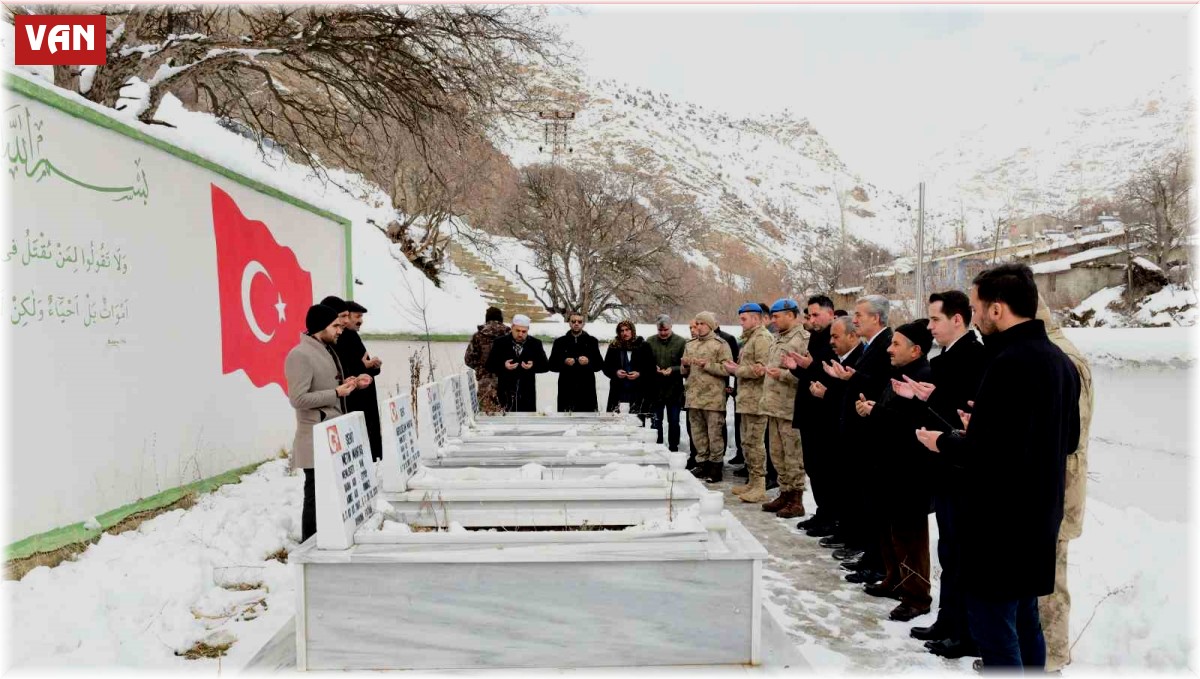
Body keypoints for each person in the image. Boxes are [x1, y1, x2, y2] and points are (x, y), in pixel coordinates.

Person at [915, 264, 1081, 672]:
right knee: (1026, 622)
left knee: (994, 629)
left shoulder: (1007, 362)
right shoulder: (1059, 361)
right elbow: (1067, 440)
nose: (972, 317)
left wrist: (946, 441)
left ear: (996, 309)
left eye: (975, 308)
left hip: (1000, 521)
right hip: (1039, 516)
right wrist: (984, 426)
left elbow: (987, 454)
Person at [907, 290, 987, 659]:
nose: (929, 326)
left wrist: (932, 398)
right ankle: (947, 619)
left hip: (960, 468)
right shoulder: (948, 354)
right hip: (943, 464)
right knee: (948, 551)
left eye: (935, 319)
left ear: (958, 319)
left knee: (959, 554)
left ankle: (964, 630)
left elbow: (968, 414)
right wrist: (926, 396)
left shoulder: (974, 355)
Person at [857, 320, 936, 623]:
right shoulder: (900, 374)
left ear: (916, 350)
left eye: (896, 344)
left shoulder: (924, 377)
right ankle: (895, 578)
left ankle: (917, 595)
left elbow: (913, 423)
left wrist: (876, 411)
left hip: (910, 472)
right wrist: (874, 408)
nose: (889, 349)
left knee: (910, 535)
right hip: (888, 467)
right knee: (890, 529)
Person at [1036, 296, 1094, 674]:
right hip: (1049, 486)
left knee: (1051, 580)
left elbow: (1068, 438)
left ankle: (1052, 655)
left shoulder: (1062, 358)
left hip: (1058, 488)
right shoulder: (1052, 353)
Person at [823, 295, 894, 585]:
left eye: (860, 315)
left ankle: (876, 561)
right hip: (860, 431)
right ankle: (870, 555)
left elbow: (881, 384)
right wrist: (851, 378)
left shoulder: (885, 345)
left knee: (872, 502)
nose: (855, 319)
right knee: (864, 499)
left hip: (872, 433)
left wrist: (853, 378)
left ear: (876, 318)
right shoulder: (872, 346)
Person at [285, 304, 368, 542]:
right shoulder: (300, 355)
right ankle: (310, 541)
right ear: (320, 326)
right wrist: (337, 392)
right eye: (335, 326)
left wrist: (351, 383)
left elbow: (328, 387)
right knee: (314, 493)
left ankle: (326, 537)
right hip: (314, 435)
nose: (339, 330)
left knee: (328, 492)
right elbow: (298, 399)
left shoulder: (326, 349)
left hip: (331, 433)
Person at [804, 315, 864, 539]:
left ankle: (844, 527)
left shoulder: (860, 358)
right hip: (828, 426)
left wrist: (827, 393)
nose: (831, 341)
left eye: (836, 336)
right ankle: (832, 519)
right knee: (825, 476)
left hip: (845, 431)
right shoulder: (836, 356)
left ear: (852, 335)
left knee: (842, 483)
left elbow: (852, 397)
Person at [785, 295, 838, 532]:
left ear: (831, 313)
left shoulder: (835, 339)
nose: (812, 319)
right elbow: (812, 375)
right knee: (813, 467)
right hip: (809, 410)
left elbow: (833, 375)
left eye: (816, 315)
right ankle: (822, 512)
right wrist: (798, 369)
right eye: (810, 315)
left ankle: (831, 516)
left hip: (825, 415)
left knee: (826, 469)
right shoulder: (816, 337)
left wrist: (809, 367)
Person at [758, 298, 810, 519]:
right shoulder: (778, 338)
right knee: (777, 455)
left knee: (793, 456)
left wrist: (783, 374)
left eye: (777, 316)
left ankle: (796, 500)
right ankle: (785, 493)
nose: (773, 320)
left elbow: (807, 374)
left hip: (790, 408)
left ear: (790, 315)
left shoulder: (803, 339)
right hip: (774, 407)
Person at [723, 303, 773, 503]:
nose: (741, 323)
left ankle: (759, 485)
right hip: (747, 399)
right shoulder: (751, 338)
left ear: (756, 318)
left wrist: (737, 370)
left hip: (757, 400)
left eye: (744, 319)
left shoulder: (762, 338)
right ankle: (753, 482)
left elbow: (761, 368)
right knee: (747, 442)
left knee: (755, 443)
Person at [681, 312, 732, 483]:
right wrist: (684, 365)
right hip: (694, 397)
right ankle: (701, 463)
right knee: (698, 434)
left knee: (714, 434)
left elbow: (727, 369)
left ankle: (715, 467)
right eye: (696, 324)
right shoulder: (690, 344)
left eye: (702, 323)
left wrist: (707, 365)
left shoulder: (720, 344)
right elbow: (685, 372)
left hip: (713, 399)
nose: (698, 327)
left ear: (710, 325)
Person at [334, 300, 384, 461]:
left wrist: (373, 366)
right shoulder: (340, 340)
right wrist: (363, 371)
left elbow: (364, 366)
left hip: (366, 398)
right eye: (357, 316)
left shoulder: (353, 337)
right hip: (354, 399)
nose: (359, 321)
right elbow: (347, 370)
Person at [484, 314, 549, 412]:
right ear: (512, 328)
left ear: (528, 330)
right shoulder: (500, 343)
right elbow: (489, 366)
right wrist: (503, 366)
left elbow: (545, 366)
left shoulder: (535, 343)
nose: (520, 334)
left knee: (527, 424)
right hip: (505, 394)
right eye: (517, 331)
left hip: (527, 395)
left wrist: (533, 366)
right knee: (506, 424)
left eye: (524, 332)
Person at [549, 311, 604, 412]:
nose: (576, 324)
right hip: (566, 387)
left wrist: (589, 362)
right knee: (565, 418)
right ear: (569, 323)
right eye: (573, 321)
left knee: (587, 419)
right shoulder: (560, 342)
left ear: (583, 323)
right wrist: (564, 362)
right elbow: (551, 365)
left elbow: (599, 365)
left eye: (579, 321)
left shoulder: (592, 341)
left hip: (586, 387)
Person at [647, 315, 687, 452]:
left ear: (671, 327)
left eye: (666, 330)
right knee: (656, 421)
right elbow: (645, 362)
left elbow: (685, 365)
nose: (663, 333)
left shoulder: (681, 342)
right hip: (656, 389)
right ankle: (657, 448)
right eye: (660, 330)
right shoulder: (650, 341)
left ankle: (673, 448)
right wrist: (653, 367)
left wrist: (673, 369)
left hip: (674, 389)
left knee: (674, 421)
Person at [603, 320, 655, 414]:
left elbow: (651, 368)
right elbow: (606, 367)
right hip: (618, 390)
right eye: (622, 331)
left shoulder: (643, 346)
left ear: (632, 331)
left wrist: (639, 374)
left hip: (638, 390)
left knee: (637, 422)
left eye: (627, 330)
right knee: (615, 422)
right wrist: (616, 372)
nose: (624, 333)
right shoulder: (614, 347)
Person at [465, 307, 509, 413]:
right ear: (501, 318)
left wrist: (480, 368)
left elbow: (468, 359)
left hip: (485, 382)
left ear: (487, 318)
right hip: (507, 380)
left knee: (486, 415)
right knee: (509, 414)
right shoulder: (510, 334)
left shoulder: (478, 336)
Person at [714, 323, 742, 465]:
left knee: (725, 421)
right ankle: (739, 453)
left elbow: (733, 364)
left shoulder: (728, 339)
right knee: (738, 422)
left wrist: (732, 386)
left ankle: (740, 454)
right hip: (736, 387)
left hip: (730, 385)